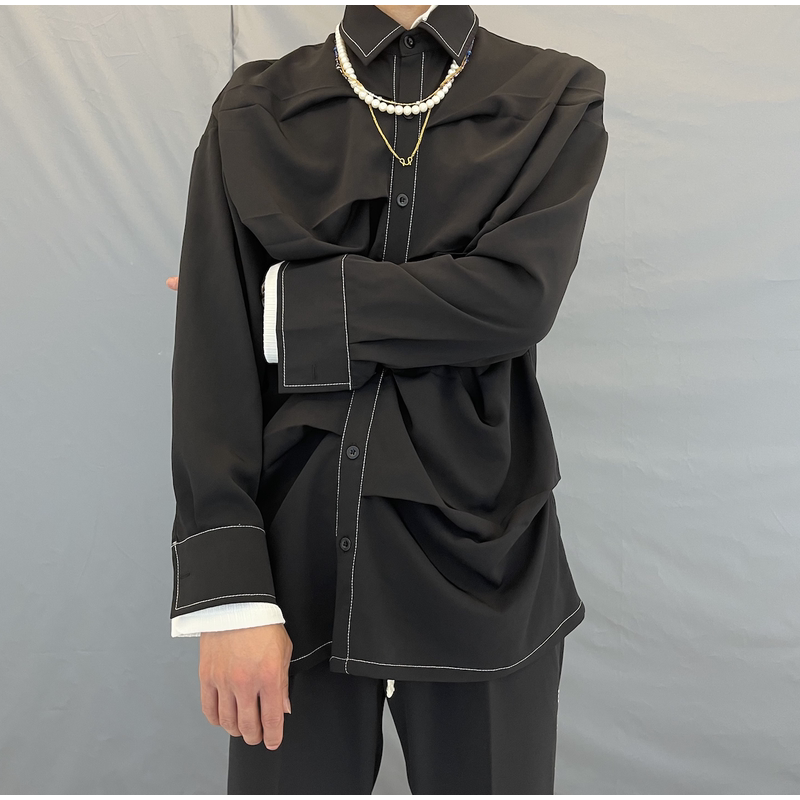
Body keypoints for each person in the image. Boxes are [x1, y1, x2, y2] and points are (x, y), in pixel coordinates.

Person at [166, 4, 608, 793]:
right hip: (293, 558)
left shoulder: (556, 95)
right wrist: (230, 599)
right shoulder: (252, 109)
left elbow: (516, 300)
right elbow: (213, 360)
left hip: (488, 552)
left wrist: (284, 305)